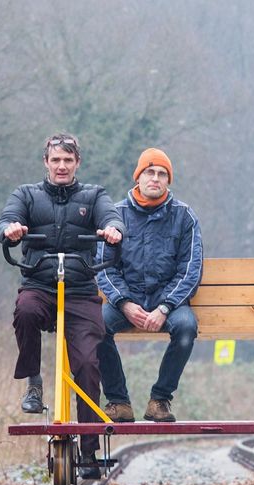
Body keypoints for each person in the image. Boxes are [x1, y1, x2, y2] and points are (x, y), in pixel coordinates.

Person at [0, 132, 124, 478]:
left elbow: (112, 218)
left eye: (68, 160)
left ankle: (89, 448)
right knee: (24, 311)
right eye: (56, 160)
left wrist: (112, 230)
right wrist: (11, 230)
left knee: (87, 362)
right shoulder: (27, 194)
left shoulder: (93, 195)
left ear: (77, 163)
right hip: (40, 282)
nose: (62, 166)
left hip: (80, 287)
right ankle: (34, 382)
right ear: (46, 163)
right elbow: (5, 220)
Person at [96, 148, 203, 422]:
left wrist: (165, 307)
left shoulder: (184, 216)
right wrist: (124, 303)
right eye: (149, 172)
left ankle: (160, 400)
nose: (155, 178)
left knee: (186, 327)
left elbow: (190, 269)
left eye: (161, 174)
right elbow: (104, 268)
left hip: (170, 302)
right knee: (95, 327)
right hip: (126, 300)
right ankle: (119, 402)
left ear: (168, 180)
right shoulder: (115, 215)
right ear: (138, 177)